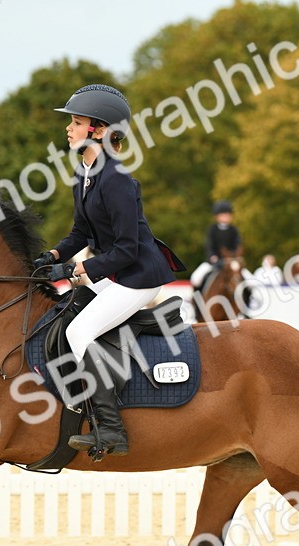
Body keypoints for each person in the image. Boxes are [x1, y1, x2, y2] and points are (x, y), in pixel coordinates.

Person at [32, 84, 178, 458]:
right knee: (65, 312)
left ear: (97, 130)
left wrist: (76, 267)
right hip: (115, 274)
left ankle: (111, 429)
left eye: (76, 122)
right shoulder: (84, 173)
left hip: (138, 277)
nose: (68, 128)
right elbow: (80, 232)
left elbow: (127, 249)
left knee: (81, 330)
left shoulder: (116, 180)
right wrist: (52, 255)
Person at [190, 200, 245, 294]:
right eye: (224, 214)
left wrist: (235, 256)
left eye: (228, 214)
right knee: (196, 278)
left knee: (251, 281)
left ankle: (247, 303)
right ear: (217, 216)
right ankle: (197, 303)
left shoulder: (234, 230)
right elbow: (209, 245)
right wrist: (212, 256)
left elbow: (237, 244)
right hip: (214, 261)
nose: (227, 217)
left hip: (231, 261)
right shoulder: (212, 230)